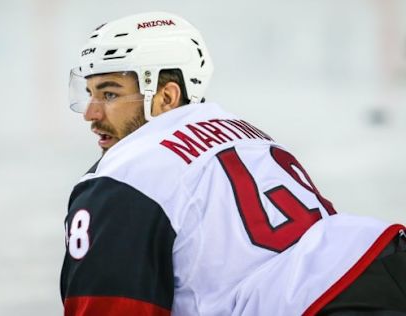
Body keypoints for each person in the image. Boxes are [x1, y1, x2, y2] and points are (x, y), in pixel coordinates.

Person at [60, 11, 406, 316]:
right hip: (386, 260)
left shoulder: (124, 176)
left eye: (109, 94)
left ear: (166, 96)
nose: (91, 113)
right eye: (89, 94)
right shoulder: (247, 134)